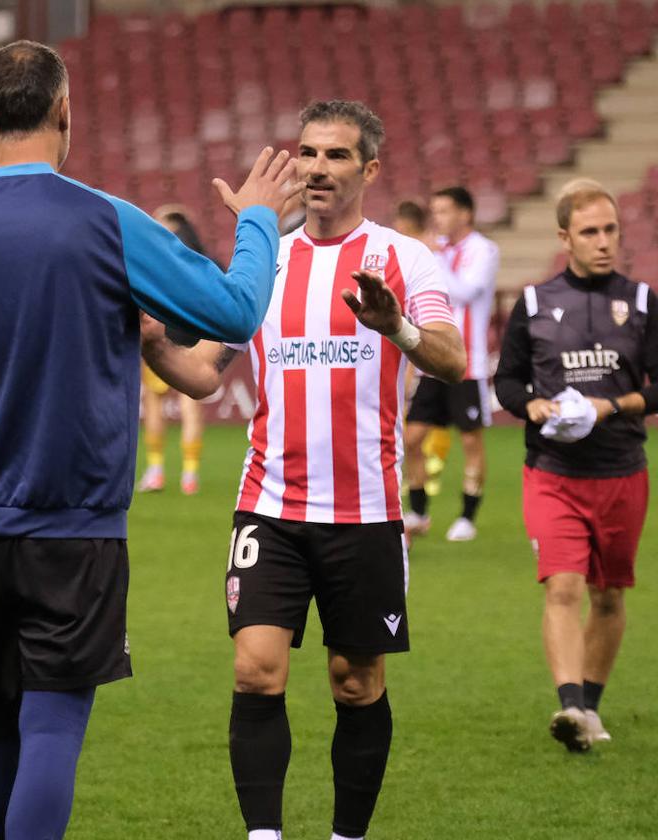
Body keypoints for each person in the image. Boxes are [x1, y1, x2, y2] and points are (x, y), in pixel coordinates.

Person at [0, 40, 298, 840]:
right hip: (74, 520)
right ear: (64, 111)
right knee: (51, 726)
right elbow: (233, 312)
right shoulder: (107, 222)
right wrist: (258, 221)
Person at [140, 100, 465, 840]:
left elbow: (451, 358)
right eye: (308, 153)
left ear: (370, 169)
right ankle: (264, 836)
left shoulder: (405, 260)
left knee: (357, 685)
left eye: (337, 156)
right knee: (256, 670)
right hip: (271, 507)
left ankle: (347, 835)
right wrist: (154, 344)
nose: (318, 168)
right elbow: (201, 373)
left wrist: (398, 327)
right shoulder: (266, 262)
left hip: (366, 511)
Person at [494, 179, 658, 753]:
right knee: (563, 586)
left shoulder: (640, 302)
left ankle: (589, 706)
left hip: (621, 473)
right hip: (553, 474)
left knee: (609, 597)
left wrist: (612, 404)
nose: (604, 241)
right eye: (590, 231)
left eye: (611, 229)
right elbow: (507, 381)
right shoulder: (535, 304)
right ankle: (569, 706)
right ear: (565, 237)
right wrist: (532, 404)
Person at [403, 187, 500, 541]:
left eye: (444, 210)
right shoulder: (435, 251)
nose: (438, 217)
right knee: (411, 439)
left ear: (466, 214)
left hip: (468, 365)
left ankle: (468, 517)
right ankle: (417, 512)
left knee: (471, 443)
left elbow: (464, 292)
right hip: (433, 361)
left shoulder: (484, 251)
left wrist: (434, 257)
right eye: (435, 210)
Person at [138, 205, 213, 495]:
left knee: (155, 405)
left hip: (162, 339)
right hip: (193, 339)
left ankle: (156, 471)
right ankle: (189, 476)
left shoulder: (157, 258)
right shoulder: (201, 260)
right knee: (190, 407)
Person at [392, 200, 451, 497]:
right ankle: (418, 502)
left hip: (435, 348)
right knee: (409, 435)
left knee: (467, 437)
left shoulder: (426, 255)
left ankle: (434, 475)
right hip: (416, 348)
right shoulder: (406, 253)